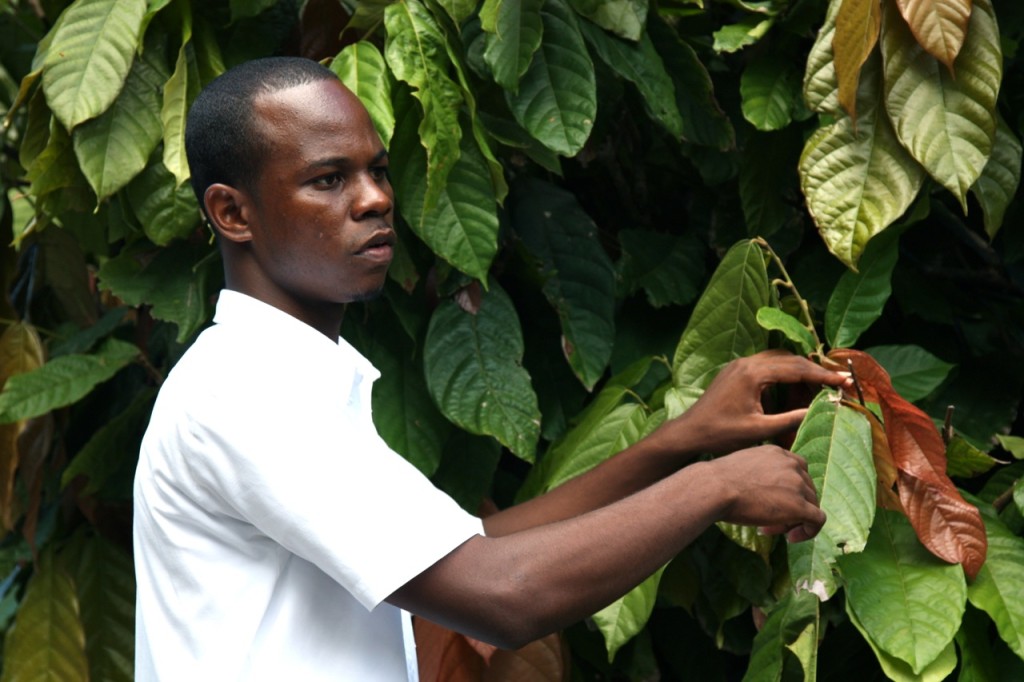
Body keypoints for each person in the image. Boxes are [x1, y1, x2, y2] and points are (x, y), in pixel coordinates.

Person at [133, 56, 851, 681]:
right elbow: (503, 594)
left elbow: (472, 550)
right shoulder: (246, 392)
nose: (377, 198)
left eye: (378, 171)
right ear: (233, 213)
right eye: (328, 179)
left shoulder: (288, 380)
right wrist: (717, 485)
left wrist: (682, 440)